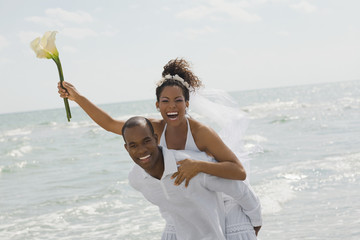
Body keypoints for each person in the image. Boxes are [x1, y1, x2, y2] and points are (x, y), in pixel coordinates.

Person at [58, 58, 255, 238]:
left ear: (187, 104)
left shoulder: (200, 132)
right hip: (187, 202)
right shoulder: (153, 129)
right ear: (157, 105)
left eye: (178, 101)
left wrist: (198, 166)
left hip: (223, 195)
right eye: (165, 101)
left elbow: (238, 171)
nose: (172, 107)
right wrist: (77, 97)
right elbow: (110, 123)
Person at [123, 116, 262, 240]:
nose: (141, 150)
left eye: (146, 141)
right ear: (126, 148)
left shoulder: (191, 166)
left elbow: (239, 189)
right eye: (133, 145)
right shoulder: (136, 179)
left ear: (155, 139)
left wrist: (256, 222)